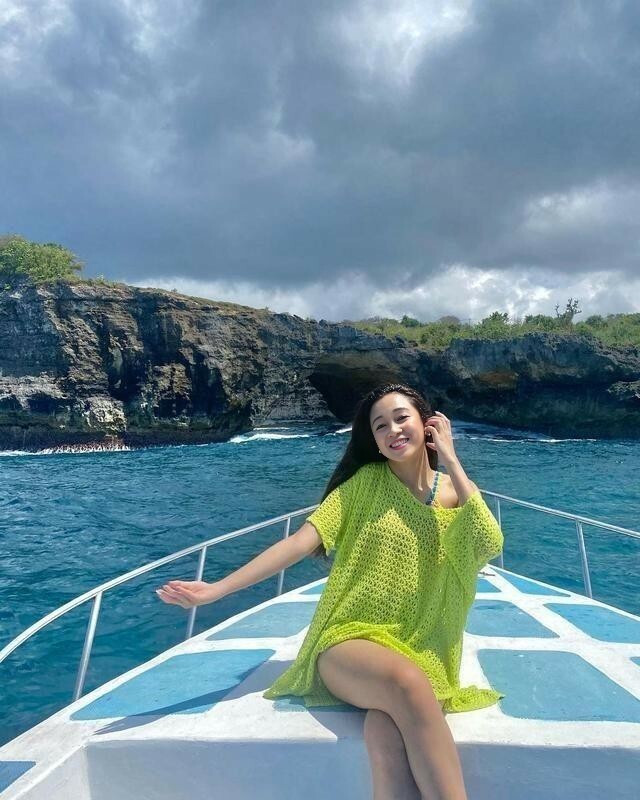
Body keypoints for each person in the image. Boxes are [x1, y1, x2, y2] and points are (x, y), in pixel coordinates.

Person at [156, 383, 504, 799]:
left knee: (385, 734)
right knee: (408, 684)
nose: (392, 430)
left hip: (423, 646)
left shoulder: (455, 493)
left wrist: (450, 456)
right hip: (349, 640)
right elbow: (298, 543)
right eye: (380, 426)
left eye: (401, 418)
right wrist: (216, 590)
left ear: (427, 423)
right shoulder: (362, 485)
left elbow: (488, 540)